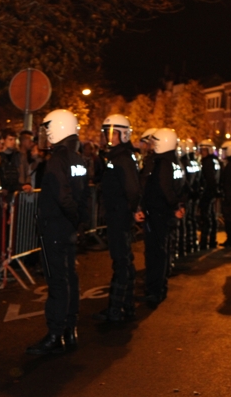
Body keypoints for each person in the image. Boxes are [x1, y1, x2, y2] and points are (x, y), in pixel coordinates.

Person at [26, 109, 89, 355]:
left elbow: (63, 196)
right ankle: (70, 329)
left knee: (56, 281)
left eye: (48, 128)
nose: (46, 134)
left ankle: (54, 334)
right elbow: (83, 195)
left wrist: (67, 218)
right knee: (69, 277)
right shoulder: (78, 157)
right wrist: (77, 222)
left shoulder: (58, 160)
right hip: (68, 229)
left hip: (54, 228)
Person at [92, 114, 140, 322]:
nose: (108, 137)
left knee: (121, 262)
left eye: (113, 133)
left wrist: (131, 209)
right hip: (118, 214)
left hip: (119, 216)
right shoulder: (116, 157)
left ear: (125, 135)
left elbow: (131, 188)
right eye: (106, 133)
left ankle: (115, 310)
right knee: (124, 261)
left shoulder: (122, 158)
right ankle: (126, 305)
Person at [136, 128, 185, 308]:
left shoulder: (162, 163)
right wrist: (177, 206)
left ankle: (154, 290)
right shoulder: (172, 162)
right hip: (162, 213)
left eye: (155, 142)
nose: (152, 145)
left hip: (157, 214)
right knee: (161, 251)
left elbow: (165, 189)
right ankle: (158, 287)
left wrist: (173, 206)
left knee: (155, 253)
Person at [177, 138, 201, 255]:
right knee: (190, 220)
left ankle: (183, 247)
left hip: (186, 197)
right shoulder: (193, 162)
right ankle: (191, 243)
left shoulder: (183, 163)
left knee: (183, 223)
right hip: (192, 195)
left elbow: (184, 182)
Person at [198, 139, 221, 250]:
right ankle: (212, 240)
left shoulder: (207, 162)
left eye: (204, 150)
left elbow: (208, 179)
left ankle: (204, 241)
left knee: (206, 218)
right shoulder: (216, 161)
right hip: (212, 193)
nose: (202, 152)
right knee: (212, 216)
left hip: (207, 193)